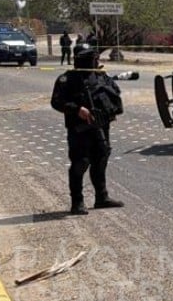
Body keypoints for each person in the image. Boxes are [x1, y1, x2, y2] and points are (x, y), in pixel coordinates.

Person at [50, 46, 124, 214]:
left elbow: (115, 93)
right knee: (80, 162)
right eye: (91, 59)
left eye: (95, 58)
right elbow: (56, 102)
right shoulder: (67, 79)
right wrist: (77, 110)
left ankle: (101, 197)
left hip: (101, 126)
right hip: (79, 129)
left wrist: (109, 110)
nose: (95, 61)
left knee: (101, 159)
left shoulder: (101, 76)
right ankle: (77, 202)